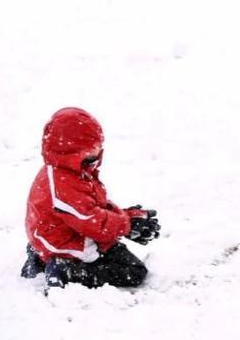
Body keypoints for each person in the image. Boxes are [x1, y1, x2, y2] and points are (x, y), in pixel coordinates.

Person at [19, 107, 161, 288]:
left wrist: (127, 215)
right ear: (72, 152)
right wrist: (125, 225)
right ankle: (66, 270)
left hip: (63, 231)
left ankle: (40, 256)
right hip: (67, 240)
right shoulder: (63, 182)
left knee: (117, 254)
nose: (96, 155)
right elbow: (89, 218)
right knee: (132, 272)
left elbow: (90, 205)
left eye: (97, 148)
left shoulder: (70, 170)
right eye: (90, 151)